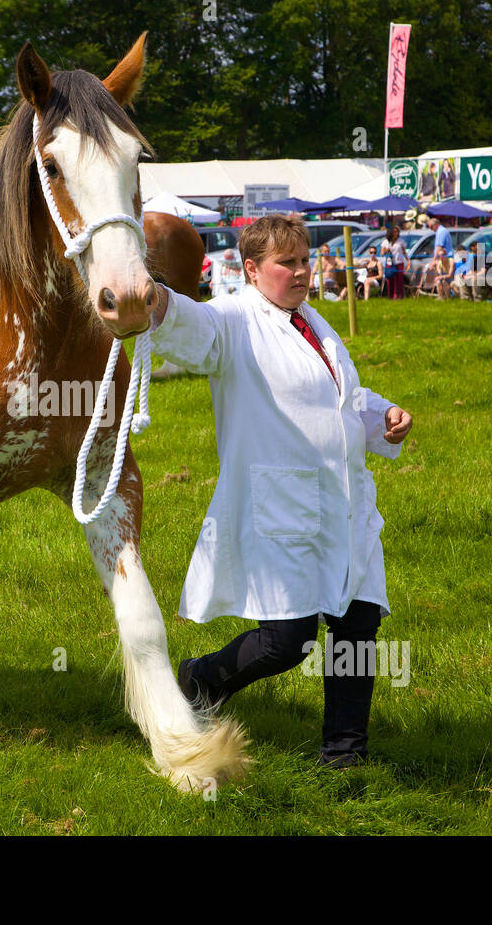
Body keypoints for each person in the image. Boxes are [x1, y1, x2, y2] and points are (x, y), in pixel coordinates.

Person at [146, 213, 413, 768]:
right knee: (287, 641)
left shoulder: (313, 321)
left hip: (344, 503)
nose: (300, 272)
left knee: (357, 626)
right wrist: (150, 298)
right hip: (282, 505)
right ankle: (200, 678)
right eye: (285, 263)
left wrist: (382, 413)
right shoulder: (235, 320)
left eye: (304, 261)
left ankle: (345, 754)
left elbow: (342, 398)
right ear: (251, 268)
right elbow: (190, 328)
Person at [382, 226, 407, 299]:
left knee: (399, 280)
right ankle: (390, 295)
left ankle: (398, 296)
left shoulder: (401, 241)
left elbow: (404, 252)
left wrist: (408, 261)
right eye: (395, 232)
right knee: (390, 280)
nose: (396, 233)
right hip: (390, 263)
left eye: (397, 232)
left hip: (399, 262)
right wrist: (387, 250)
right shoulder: (385, 242)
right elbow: (382, 253)